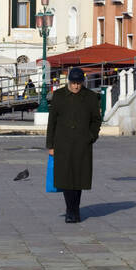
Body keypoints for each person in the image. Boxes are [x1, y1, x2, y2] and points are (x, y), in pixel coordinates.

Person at [46, 66, 102, 224]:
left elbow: (96, 120)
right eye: (73, 83)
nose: (76, 86)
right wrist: (50, 145)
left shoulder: (90, 97)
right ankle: (70, 211)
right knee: (65, 180)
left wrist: (91, 136)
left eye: (79, 83)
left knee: (78, 179)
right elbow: (52, 122)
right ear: (69, 82)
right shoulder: (58, 96)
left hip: (82, 144)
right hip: (62, 143)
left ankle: (75, 209)